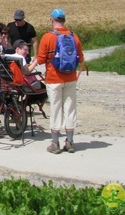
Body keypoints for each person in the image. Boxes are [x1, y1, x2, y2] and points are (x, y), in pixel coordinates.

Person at [27, 9, 84, 154]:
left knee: (56, 109)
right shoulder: (74, 36)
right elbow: (81, 59)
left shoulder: (47, 37)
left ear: (52, 20)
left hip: (53, 79)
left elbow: (40, 59)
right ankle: (70, 142)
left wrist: (29, 68)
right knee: (70, 110)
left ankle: (55, 143)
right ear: (64, 20)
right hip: (70, 78)